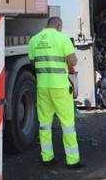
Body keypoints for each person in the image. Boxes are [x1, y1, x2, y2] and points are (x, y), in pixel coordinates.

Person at [28, 17, 82, 169]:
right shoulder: (63, 38)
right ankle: (72, 160)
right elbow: (73, 62)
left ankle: (47, 157)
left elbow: (33, 63)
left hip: (43, 86)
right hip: (60, 87)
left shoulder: (34, 40)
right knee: (67, 124)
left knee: (44, 123)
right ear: (59, 25)